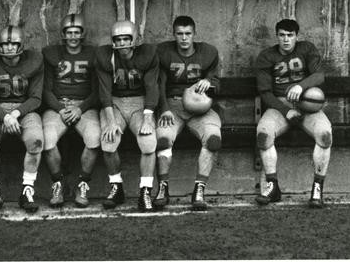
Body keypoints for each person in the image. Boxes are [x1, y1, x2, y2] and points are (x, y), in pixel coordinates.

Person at [255, 18, 331, 208]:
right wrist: (285, 110)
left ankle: (317, 188)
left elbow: (319, 75)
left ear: (297, 36)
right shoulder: (266, 56)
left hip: (308, 103)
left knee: (325, 135)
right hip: (279, 105)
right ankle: (273, 186)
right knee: (263, 135)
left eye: (290, 35)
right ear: (277, 36)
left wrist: (300, 85)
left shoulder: (306, 49)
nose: (286, 40)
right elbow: (265, 93)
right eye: (282, 35)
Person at [154, 15, 220, 211]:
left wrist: (210, 82)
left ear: (194, 34)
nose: (184, 38)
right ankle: (163, 187)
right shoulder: (164, 52)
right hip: (173, 106)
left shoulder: (208, 52)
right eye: (180, 34)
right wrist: (164, 108)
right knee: (163, 140)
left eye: (188, 34)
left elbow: (216, 80)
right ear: (173, 34)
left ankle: (199, 188)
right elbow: (159, 83)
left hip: (201, 107)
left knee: (214, 140)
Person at [0, 25, 44, 214]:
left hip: (25, 111)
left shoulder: (35, 61)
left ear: (21, 45)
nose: (9, 48)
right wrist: (5, 115)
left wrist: (15, 113)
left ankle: (27, 189)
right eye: (5, 44)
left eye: (13, 43)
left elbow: (36, 98)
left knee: (36, 141)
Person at [95, 19, 158, 212]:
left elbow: (151, 87)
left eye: (125, 38)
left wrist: (148, 118)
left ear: (134, 39)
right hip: (115, 103)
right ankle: (116, 185)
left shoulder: (147, 54)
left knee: (148, 143)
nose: (122, 43)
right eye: (118, 39)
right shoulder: (105, 56)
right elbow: (104, 91)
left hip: (140, 103)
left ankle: (145, 190)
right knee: (108, 140)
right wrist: (111, 122)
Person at [42, 13, 99, 208]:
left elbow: (97, 90)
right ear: (63, 34)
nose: (73, 36)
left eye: (77, 32)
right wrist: (60, 109)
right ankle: (58, 182)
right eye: (69, 32)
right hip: (59, 105)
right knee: (47, 140)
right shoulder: (52, 54)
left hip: (84, 106)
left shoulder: (93, 54)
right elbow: (46, 90)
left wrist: (80, 108)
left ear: (83, 34)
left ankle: (82, 184)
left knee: (93, 138)